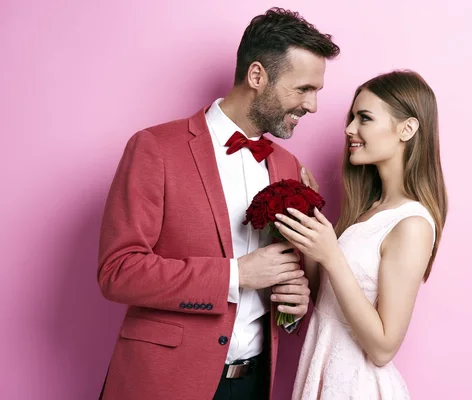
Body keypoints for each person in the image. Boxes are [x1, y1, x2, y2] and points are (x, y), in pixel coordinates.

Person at [96, 7, 339, 400]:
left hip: (253, 384)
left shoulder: (289, 166)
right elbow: (118, 271)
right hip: (163, 382)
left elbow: (285, 281)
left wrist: (294, 305)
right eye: (303, 89)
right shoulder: (155, 149)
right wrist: (235, 275)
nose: (312, 106)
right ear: (257, 75)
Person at [273, 70, 448, 399]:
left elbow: (383, 348)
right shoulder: (369, 210)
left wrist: (331, 255)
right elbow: (325, 297)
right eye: (351, 117)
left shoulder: (412, 224)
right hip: (322, 376)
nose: (349, 129)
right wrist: (312, 221)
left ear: (407, 129)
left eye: (364, 118)